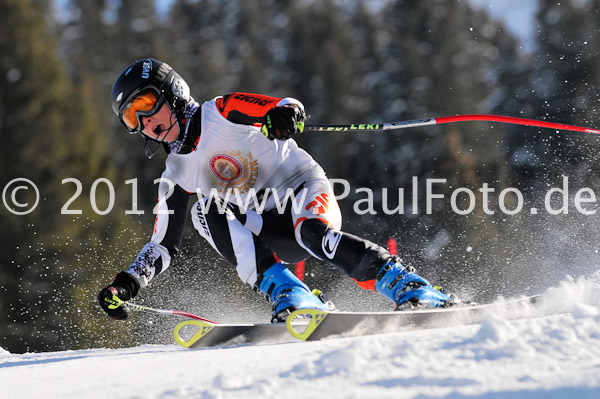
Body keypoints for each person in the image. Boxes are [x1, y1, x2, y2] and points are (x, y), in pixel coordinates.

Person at [98, 58, 455, 322]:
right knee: (205, 212)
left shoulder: (220, 112)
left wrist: (283, 116)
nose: (146, 122)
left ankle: (409, 286)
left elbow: (282, 105)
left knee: (315, 234)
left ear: (171, 93)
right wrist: (125, 285)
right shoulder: (176, 172)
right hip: (267, 226)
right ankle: (293, 293)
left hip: (300, 190)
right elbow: (162, 244)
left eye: (145, 105)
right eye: (132, 118)